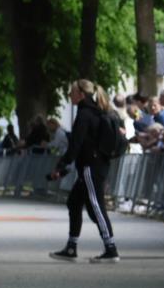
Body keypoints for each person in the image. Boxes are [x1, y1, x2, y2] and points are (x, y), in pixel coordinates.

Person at [48, 79, 120, 263]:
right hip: (92, 165)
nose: (69, 95)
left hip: (91, 167)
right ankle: (71, 247)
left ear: (81, 94)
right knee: (74, 202)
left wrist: (61, 165)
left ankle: (111, 249)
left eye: (71, 92)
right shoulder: (93, 111)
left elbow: (76, 144)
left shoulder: (85, 114)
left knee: (96, 206)